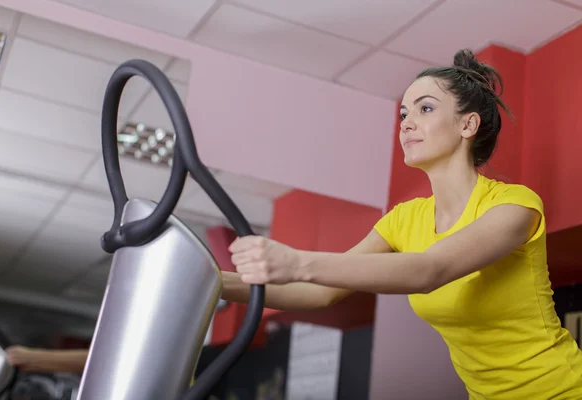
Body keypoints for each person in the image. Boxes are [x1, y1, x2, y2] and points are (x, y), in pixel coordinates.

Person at [223, 49, 582, 399]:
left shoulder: (514, 205)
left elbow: (431, 269)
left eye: (425, 109)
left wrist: (297, 261)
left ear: (467, 124)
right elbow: (320, 293)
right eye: (404, 113)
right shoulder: (404, 219)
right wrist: (212, 283)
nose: (407, 123)